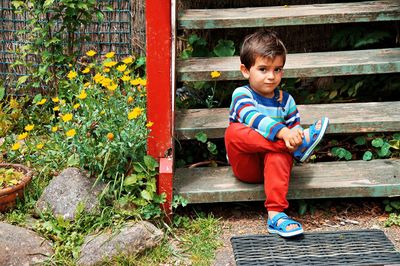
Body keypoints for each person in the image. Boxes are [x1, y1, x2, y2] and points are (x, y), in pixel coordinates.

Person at [224, 29, 329, 237]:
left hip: (275, 167)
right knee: (233, 132)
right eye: (263, 69)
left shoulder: (286, 100)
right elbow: (253, 118)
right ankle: (297, 150)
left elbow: (296, 127)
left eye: (277, 69)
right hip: (247, 166)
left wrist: (296, 134)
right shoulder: (242, 94)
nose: (271, 76)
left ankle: (276, 215)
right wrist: (284, 134)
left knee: (279, 153)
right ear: (245, 70)